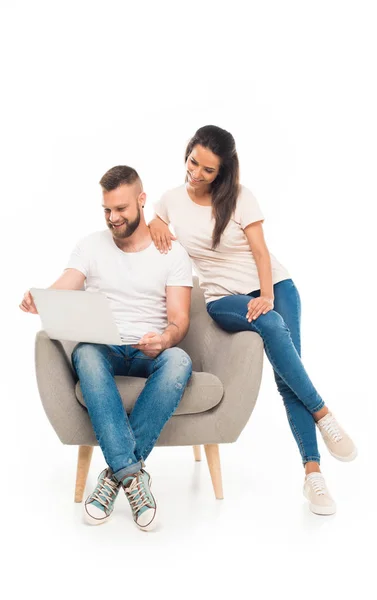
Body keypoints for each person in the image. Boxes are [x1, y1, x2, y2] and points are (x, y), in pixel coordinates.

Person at [148, 125, 357, 516]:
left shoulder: (241, 198)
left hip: (274, 285)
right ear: (187, 153)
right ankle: (323, 414)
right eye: (194, 162)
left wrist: (266, 296)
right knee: (273, 327)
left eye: (208, 170)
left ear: (222, 171)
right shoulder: (170, 200)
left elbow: (261, 253)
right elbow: (152, 226)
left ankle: (313, 476)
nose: (196, 173)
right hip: (222, 297)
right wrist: (155, 221)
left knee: (285, 375)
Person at [20, 165, 193, 531]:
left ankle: (114, 478)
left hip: (150, 351)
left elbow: (180, 319)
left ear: (142, 201)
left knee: (179, 360)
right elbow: (70, 280)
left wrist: (164, 338)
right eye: (107, 210)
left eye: (121, 209)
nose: (113, 218)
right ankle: (133, 476)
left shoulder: (171, 254)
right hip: (107, 349)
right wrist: (43, 297)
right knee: (85, 352)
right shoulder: (90, 245)